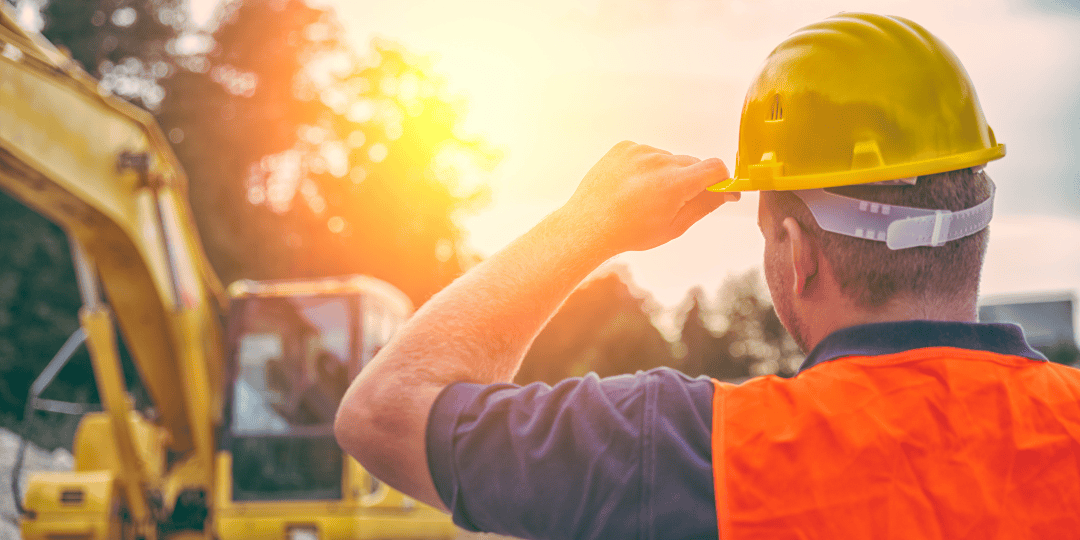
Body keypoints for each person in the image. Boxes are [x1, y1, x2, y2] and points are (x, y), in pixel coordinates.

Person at [335, 12, 1080, 539]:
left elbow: (383, 414)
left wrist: (584, 226)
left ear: (797, 252)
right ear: (977, 218)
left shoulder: (688, 449)